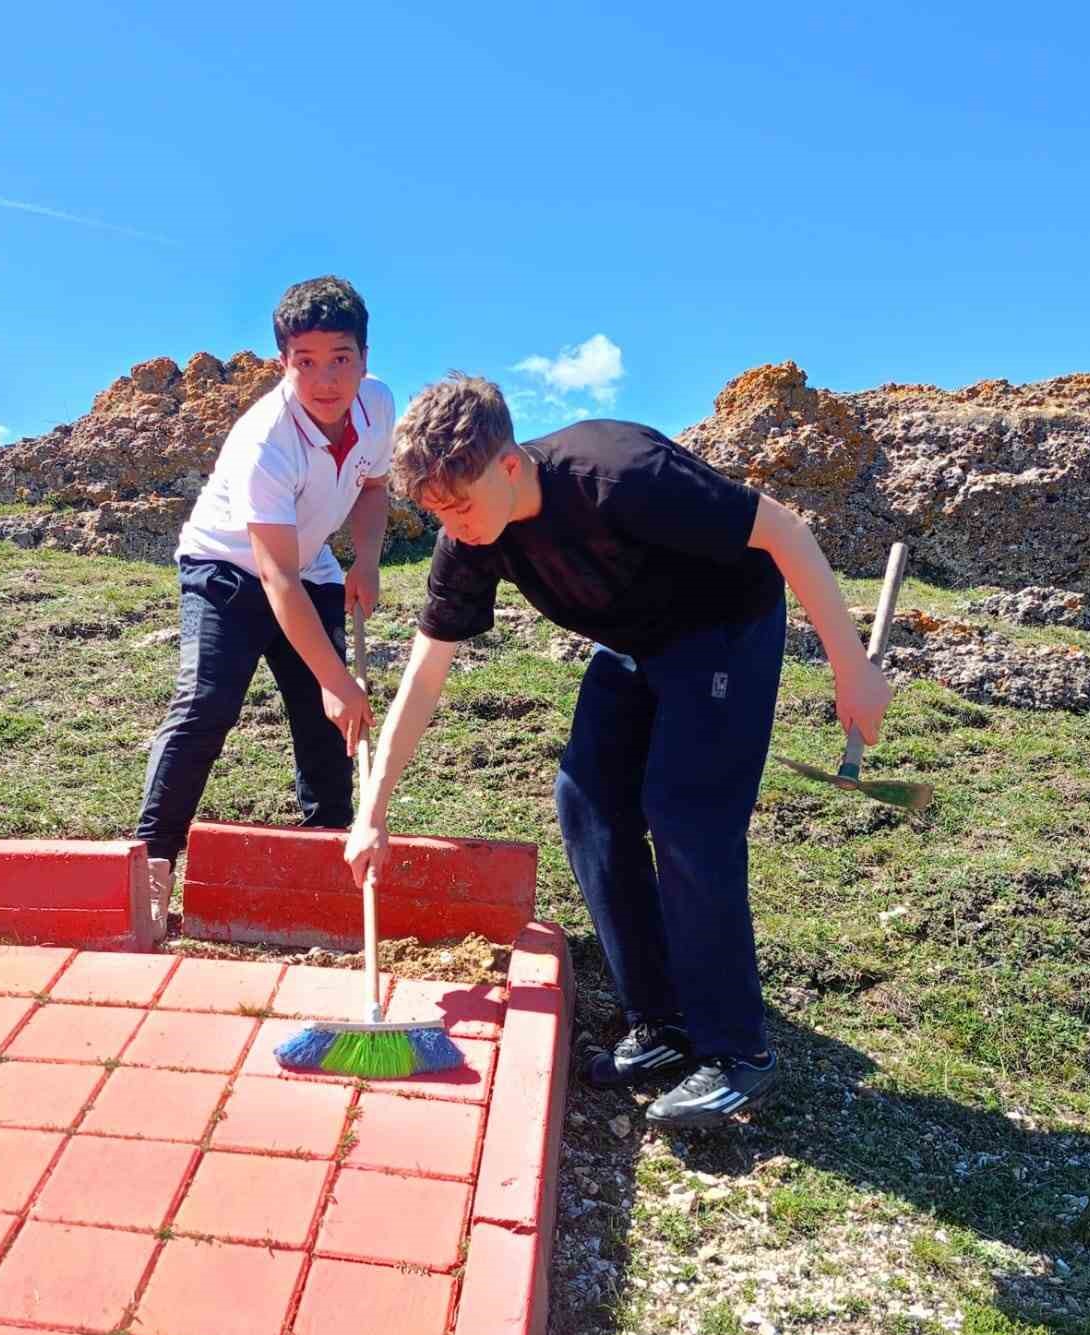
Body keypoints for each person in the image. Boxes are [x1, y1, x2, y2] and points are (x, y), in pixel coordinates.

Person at [344, 375, 893, 1132]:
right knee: (587, 801)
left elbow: (785, 531)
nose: (453, 524)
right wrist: (372, 813)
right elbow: (424, 676)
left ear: (508, 465)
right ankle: (662, 1025)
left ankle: (737, 1054)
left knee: (685, 813)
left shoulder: (620, 474)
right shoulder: (467, 539)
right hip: (635, 641)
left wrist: (852, 668)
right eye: (435, 509)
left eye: (460, 503)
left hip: (723, 626)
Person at [134, 276, 393, 942]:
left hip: (310, 568)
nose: (325, 379)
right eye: (305, 361)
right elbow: (272, 575)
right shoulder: (265, 440)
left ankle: (330, 852)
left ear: (364, 357)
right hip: (227, 569)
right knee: (208, 704)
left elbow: (372, 485)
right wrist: (338, 680)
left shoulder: (380, 405)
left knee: (324, 722)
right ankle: (152, 862)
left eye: (340, 358)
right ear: (283, 363)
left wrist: (365, 559)